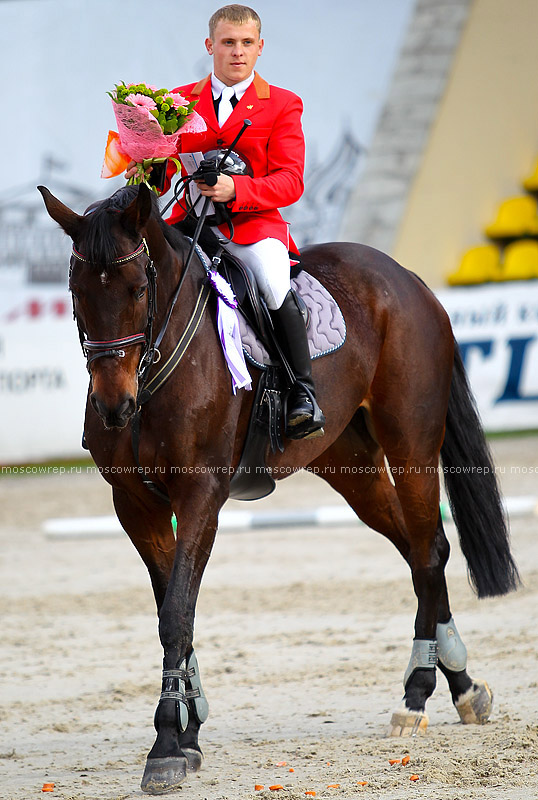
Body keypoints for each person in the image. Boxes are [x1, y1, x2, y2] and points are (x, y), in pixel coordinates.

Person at [129, 4, 325, 439]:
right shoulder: (174, 102)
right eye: (228, 43)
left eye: (246, 44)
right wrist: (146, 165)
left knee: (273, 285)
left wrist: (238, 191)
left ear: (260, 48)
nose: (237, 52)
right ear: (210, 46)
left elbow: (291, 182)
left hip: (253, 227)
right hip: (188, 223)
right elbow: (162, 178)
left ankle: (302, 392)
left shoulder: (283, 105)